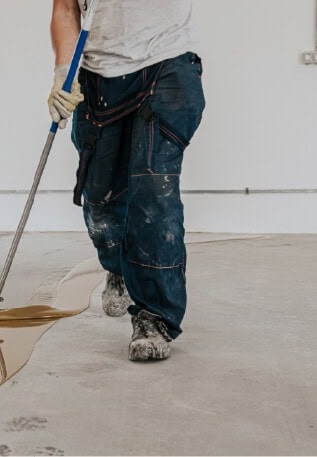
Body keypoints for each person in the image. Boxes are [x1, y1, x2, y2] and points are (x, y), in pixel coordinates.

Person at [49, 0, 206, 361]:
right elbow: (66, 10)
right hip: (99, 80)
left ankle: (155, 316)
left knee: (154, 190)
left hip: (165, 63)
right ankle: (118, 268)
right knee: (100, 200)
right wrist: (63, 72)